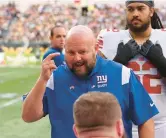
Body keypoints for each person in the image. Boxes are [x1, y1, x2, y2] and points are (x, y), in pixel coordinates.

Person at [22, 25, 158, 138]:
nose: (77, 58)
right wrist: (42, 80)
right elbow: (28, 116)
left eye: (82, 52)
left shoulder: (122, 74)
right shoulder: (54, 78)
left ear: (96, 47)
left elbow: (145, 120)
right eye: (70, 52)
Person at [97, 0, 166, 137]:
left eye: (141, 8)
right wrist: (118, 62)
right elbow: (96, 87)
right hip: (122, 124)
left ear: (151, 11)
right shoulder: (109, 38)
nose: (135, 13)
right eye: (130, 9)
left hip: (162, 124)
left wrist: (162, 63)